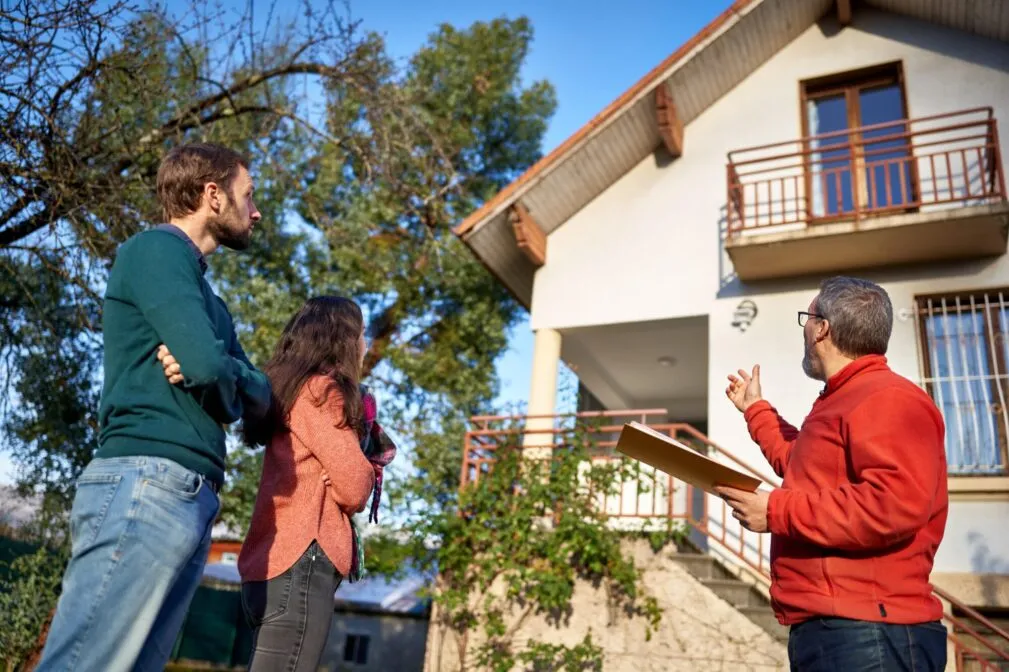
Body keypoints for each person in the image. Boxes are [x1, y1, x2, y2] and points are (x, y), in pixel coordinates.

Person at [37, 143, 272, 672]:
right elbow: (214, 372)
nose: (255, 211)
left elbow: (253, 395)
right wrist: (215, 369)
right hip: (144, 484)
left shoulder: (212, 303)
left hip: (188, 496)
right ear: (213, 195)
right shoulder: (154, 252)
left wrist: (219, 369)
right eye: (248, 195)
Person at [716, 276, 949, 672]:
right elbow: (800, 464)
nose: (805, 330)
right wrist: (756, 409)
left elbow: (891, 504)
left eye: (807, 319)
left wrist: (775, 512)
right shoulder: (843, 399)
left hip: (868, 632)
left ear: (822, 327)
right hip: (840, 630)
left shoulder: (886, 397)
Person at [237, 296, 396, 671]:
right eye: (360, 334)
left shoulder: (289, 391)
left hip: (275, 564)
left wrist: (344, 472)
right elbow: (356, 485)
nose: (365, 344)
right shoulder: (319, 392)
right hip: (302, 560)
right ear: (343, 340)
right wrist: (353, 470)